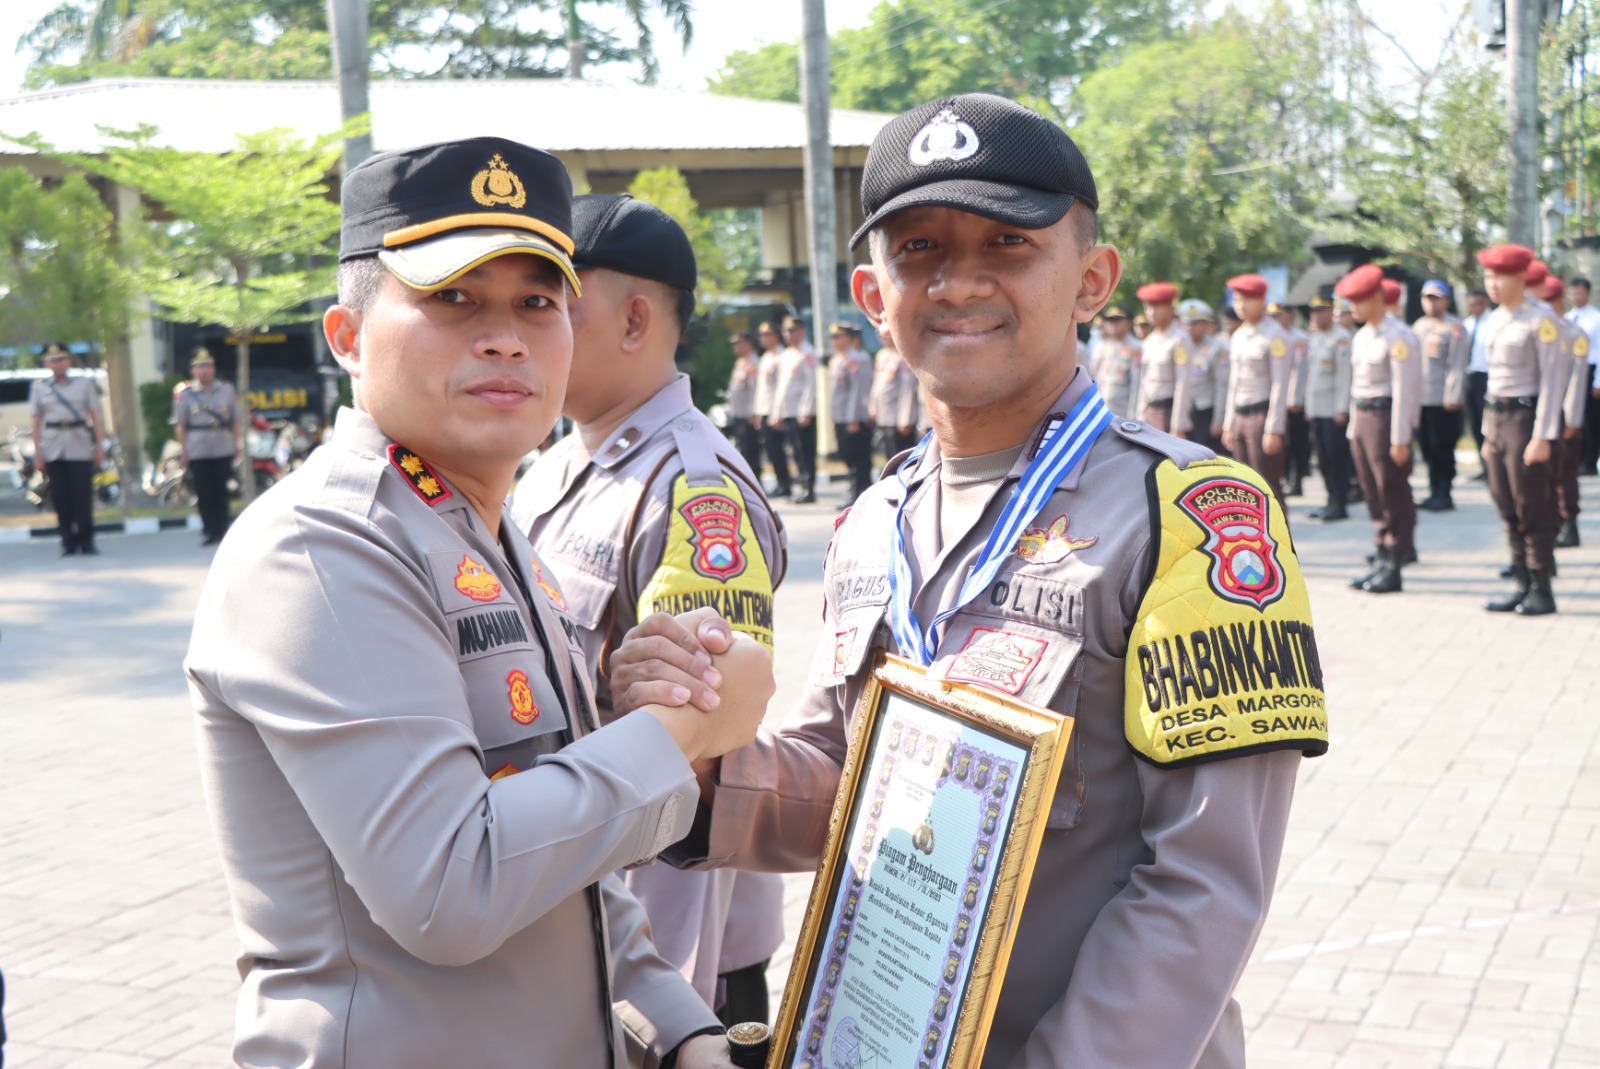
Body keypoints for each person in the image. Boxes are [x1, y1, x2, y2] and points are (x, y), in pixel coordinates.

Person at [625, 92, 1325, 1067]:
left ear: (1091, 281)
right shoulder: (871, 523)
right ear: (874, 301)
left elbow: (1202, 885)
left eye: (1006, 243)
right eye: (918, 250)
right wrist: (693, 768)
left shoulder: (1192, 516)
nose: (958, 283)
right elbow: (847, 777)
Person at [186, 136, 769, 1068]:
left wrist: (678, 1021)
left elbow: (573, 861)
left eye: (537, 302)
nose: (503, 335)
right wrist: (681, 733)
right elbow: (451, 888)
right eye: (452, 298)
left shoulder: (486, 530)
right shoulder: (324, 546)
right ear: (347, 336)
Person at [512, 193, 788, 1030]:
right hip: (573, 903)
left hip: (665, 951)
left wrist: (663, 1014)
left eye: (551, 305)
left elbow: (696, 754)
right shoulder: (557, 463)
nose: (527, 334)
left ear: (635, 321)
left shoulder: (691, 489)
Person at [1478, 243, 1567, 616]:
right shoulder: (1495, 319)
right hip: (1496, 420)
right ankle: (1520, 583)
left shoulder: (1540, 321)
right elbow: (1492, 381)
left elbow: (1553, 381)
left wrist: (1543, 436)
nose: (1492, 284)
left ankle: (1542, 588)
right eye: (1488, 276)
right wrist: (1485, 435)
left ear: (1519, 278)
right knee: (1505, 503)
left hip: (1525, 420)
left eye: (1500, 277)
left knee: (1532, 504)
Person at [1337, 266, 1421, 594]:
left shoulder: (1399, 336)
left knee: (1391, 489)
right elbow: (1357, 386)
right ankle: (1382, 551)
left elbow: (1405, 392)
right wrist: (1354, 429)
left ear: (1376, 298)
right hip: (1363, 419)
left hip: (1386, 420)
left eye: (1358, 300)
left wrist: (1401, 438)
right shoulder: (1362, 335)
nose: (1352, 308)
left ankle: (1397, 559)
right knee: (1371, 490)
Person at [29, 343, 104, 556]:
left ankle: (87, 540)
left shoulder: (84, 385)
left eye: (61, 359)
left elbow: (96, 416)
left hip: (79, 444)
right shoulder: (39, 388)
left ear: (68, 361)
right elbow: (35, 422)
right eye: (53, 360)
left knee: (83, 496)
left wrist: (99, 447)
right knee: (60, 498)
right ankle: (67, 541)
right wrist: (38, 452)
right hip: (53, 447)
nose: (58, 364)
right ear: (46, 364)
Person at [1222, 274, 1292, 502]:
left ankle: (1279, 537)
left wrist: (1274, 428)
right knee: (1243, 486)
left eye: (1247, 300)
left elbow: (1280, 385)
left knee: (1267, 485)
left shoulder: (1276, 336)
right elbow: (1234, 382)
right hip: (1241, 415)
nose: (1240, 306)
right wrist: (1229, 424)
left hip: (1262, 415)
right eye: (1237, 300)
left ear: (1263, 301)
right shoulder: (1239, 335)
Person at [171, 348, 242, 545]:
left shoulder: (227, 390)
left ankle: (223, 529)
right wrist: (184, 450)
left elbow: (235, 420)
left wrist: (237, 444)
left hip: (223, 446)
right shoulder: (185, 395)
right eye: (200, 367)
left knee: (222, 490)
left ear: (214, 368)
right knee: (204, 491)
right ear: (193, 371)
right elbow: (181, 425)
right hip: (197, 448)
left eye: (208, 366)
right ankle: (209, 530)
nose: (205, 371)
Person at [1412, 280, 1470, 512]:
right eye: (1427, 297)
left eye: (1436, 298)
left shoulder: (1454, 328)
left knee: (1442, 447)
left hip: (1443, 401)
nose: (1430, 302)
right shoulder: (1418, 326)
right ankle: (1433, 490)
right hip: (1421, 399)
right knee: (1426, 446)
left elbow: (1457, 364)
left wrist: (1453, 395)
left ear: (1446, 300)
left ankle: (1444, 492)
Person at [1543, 276, 1588, 549]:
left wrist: (1572, 418)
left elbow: (1577, 379)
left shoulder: (1574, 334)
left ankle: (1569, 524)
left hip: (1563, 415)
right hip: (1541, 415)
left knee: (1565, 473)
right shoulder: (1540, 331)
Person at [1303, 295, 1355, 522]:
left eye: (1321, 310)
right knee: (1322, 456)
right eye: (1314, 311)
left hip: (1334, 410)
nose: (1316, 315)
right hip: (1317, 408)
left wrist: (1342, 409)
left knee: (1336, 456)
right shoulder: (1315, 338)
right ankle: (1329, 498)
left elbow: (1345, 376)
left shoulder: (1341, 339)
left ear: (1331, 312)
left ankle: (1340, 501)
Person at [1133, 282, 1194, 435]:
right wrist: (1139, 417)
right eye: (1148, 307)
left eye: (1156, 307)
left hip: (1167, 412)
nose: (1151, 312)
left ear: (1170, 309)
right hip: (1150, 411)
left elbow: (1183, 384)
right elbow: (1144, 383)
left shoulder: (1179, 339)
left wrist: (1178, 426)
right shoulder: (1149, 341)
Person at [774, 316, 818, 503]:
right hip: (789, 410)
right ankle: (801, 486)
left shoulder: (807, 353)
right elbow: (782, 387)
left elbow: (810, 384)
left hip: (802, 412)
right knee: (795, 451)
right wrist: (778, 412)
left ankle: (809, 489)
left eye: (792, 330)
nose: (787, 334)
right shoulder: (786, 354)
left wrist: (805, 410)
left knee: (805, 451)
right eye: (785, 330)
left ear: (802, 331)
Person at [1271, 303, 1313, 497]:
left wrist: (1295, 399)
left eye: (1279, 315)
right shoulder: (1271, 337)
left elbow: (1300, 371)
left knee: (1297, 443)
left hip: (1293, 401)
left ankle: (1297, 480)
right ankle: (1285, 478)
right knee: (1282, 444)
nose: (1275, 319)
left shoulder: (1299, 339)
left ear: (1290, 316)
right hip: (1276, 400)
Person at [830, 324, 875, 501]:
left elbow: (858, 391)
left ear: (848, 338)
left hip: (854, 418)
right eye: (832, 338)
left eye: (838, 337)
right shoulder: (837, 359)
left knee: (859, 458)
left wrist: (853, 419)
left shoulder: (857, 359)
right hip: (841, 416)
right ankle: (853, 490)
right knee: (847, 455)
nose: (834, 341)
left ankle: (860, 493)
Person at [1179, 298, 1228, 454]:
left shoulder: (1217, 348)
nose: (1189, 327)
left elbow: (1221, 386)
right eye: (1186, 323)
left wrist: (1218, 420)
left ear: (1206, 324)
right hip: (1184, 411)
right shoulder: (1179, 346)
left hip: (1205, 413)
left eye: (1195, 323)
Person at [754, 322, 792, 498]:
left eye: (766, 335)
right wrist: (757, 411)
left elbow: (781, 389)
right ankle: (780, 483)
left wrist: (778, 413)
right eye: (761, 335)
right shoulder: (766, 357)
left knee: (779, 450)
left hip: (775, 411)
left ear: (776, 336)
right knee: (771, 450)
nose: (763, 338)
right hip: (764, 409)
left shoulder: (781, 356)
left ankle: (785, 484)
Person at [1567, 276, 1600, 476]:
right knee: (1573, 415)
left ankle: (1590, 460)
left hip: (1590, 371)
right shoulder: (1567, 318)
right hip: (1571, 372)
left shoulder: (1596, 318)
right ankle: (1577, 458)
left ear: (1588, 293)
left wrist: (1598, 380)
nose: (1576, 296)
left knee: (1592, 418)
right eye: (1573, 292)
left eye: (1580, 292)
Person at [870, 335, 920, 461]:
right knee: (890, 456)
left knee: (902, 459)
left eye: (887, 336)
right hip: (885, 415)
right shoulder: (882, 355)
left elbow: (907, 389)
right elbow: (877, 384)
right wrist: (873, 406)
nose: (883, 338)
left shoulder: (903, 356)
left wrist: (905, 419)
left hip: (898, 417)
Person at [1087, 303, 1141, 418]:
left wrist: (1133, 417)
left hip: (1122, 413)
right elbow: (1093, 377)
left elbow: (1137, 386)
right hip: (1101, 411)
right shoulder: (1101, 346)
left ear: (1128, 323)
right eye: (1109, 320)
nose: (1112, 324)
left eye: (1117, 320)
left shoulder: (1135, 348)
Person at [724, 331, 764, 478]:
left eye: (739, 343)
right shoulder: (740, 363)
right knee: (743, 450)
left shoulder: (753, 364)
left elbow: (755, 390)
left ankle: (755, 480)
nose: (736, 347)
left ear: (748, 344)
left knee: (751, 450)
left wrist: (753, 413)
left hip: (748, 416)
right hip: (738, 413)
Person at [1462, 287, 1493, 468]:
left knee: (1487, 421)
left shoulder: (1494, 322)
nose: (1476, 308)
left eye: (1479, 304)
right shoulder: (1466, 325)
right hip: (1470, 376)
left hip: (1487, 377)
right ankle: (1483, 464)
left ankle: (1492, 465)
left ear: (1486, 303)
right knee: (1474, 421)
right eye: (1472, 305)